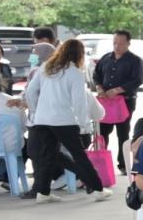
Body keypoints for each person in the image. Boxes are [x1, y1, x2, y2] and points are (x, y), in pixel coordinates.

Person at [23, 38, 106, 201]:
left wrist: (35, 110)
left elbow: (30, 92)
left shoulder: (46, 67)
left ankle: (43, 193)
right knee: (79, 155)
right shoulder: (75, 73)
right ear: (80, 55)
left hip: (42, 120)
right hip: (64, 120)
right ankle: (98, 189)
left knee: (48, 156)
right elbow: (79, 102)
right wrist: (83, 124)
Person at [90, 29, 143, 159]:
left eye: (121, 43)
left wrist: (117, 90)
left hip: (125, 101)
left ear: (128, 44)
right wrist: (99, 88)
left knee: (123, 133)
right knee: (102, 133)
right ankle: (102, 160)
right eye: (115, 43)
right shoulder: (106, 58)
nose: (117, 46)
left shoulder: (135, 61)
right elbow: (96, 75)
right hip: (105, 102)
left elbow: (137, 80)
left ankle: (123, 163)